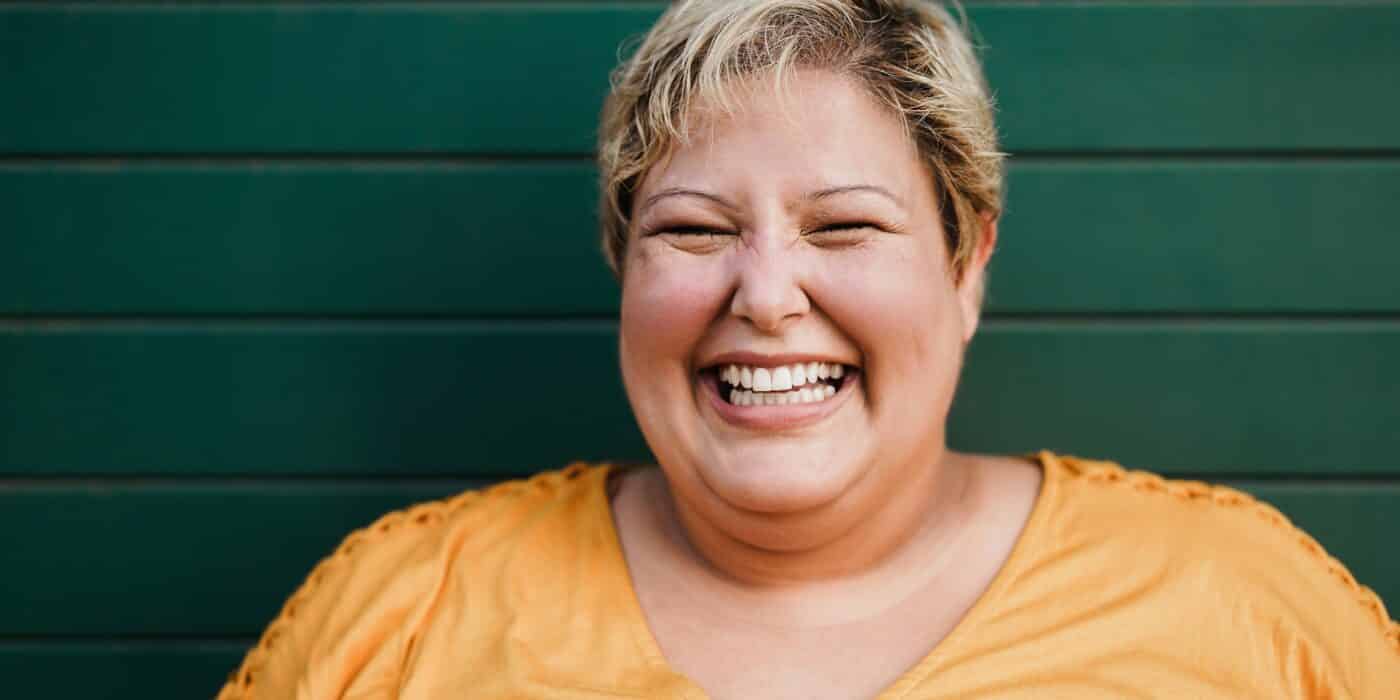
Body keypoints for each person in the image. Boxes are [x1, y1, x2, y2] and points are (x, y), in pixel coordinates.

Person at [218, 1, 1399, 697]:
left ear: (965, 263)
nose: (766, 295)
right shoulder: (394, 622)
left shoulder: (1248, 613)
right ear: (623, 263)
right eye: (692, 229)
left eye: (842, 225)